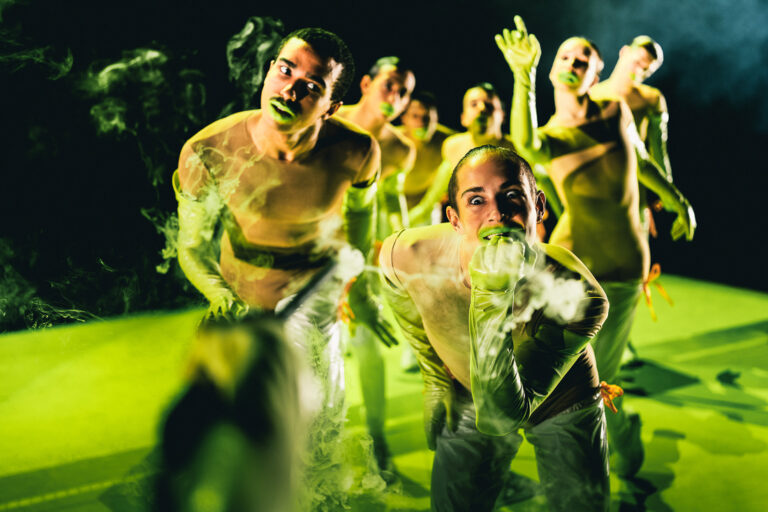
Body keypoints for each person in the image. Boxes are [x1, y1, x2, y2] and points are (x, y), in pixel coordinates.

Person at [173, 27, 396, 509]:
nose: (289, 88)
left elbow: (360, 225)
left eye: (312, 85)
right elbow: (189, 248)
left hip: (314, 304)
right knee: (222, 452)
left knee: (318, 444)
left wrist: (359, 292)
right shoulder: (207, 150)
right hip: (236, 308)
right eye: (284, 68)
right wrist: (220, 297)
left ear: (333, 105)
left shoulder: (359, 152)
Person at [497, 16, 696, 477]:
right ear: (552, 71)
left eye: (582, 58)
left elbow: (643, 159)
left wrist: (675, 198)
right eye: (564, 56)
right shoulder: (552, 136)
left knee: (598, 383)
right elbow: (526, 142)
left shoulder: (617, 112)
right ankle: (574, 472)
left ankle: (614, 446)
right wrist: (523, 76)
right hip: (571, 272)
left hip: (624, 269)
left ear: (597, 72)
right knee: (549, 382)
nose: (572, 62)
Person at [380, 145, 611, 511]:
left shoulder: (576, 292)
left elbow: (501, 418)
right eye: (476, 201)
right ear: (453, 218)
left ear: (540, 206)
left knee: (581, 505)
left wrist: (491, 293)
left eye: (512, 197)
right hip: (468, 388)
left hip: (565, 395)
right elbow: (397, 291)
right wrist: (435, 377)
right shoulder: (408, 253)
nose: (497, 214)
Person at [590, 35, 673, 235]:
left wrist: (666, 191)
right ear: (624, 52)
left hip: (636, 189)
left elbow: (659, 151)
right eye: (637, 62)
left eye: (647, 69)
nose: (638, 71)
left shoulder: (652, 99)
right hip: (596, 188)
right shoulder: (591, 95)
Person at [408, 83, 516, 227]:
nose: (482, 109)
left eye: (489, 105)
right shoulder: (453, 147)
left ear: (502, 115)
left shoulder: (516, 151)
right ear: (463, 118)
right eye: (474, 104)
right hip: (466, 228)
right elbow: (433, 196)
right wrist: (411, 218)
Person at [336, 56, 417, 235]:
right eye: (388, 86)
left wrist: (404, 238)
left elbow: (392, 196)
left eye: (403, 92)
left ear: (406, 104)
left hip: (352, 234)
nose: (394, 97)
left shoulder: (401, 150)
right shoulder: (328, 121)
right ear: (366, 84)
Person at [397, 91, 456, 216]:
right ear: (404, 118)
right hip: (390, 203)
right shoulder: (391, 140)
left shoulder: (449, 142)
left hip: (427, 205)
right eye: (415, 116)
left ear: (436, 119)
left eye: (427, 118)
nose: (421, 122)